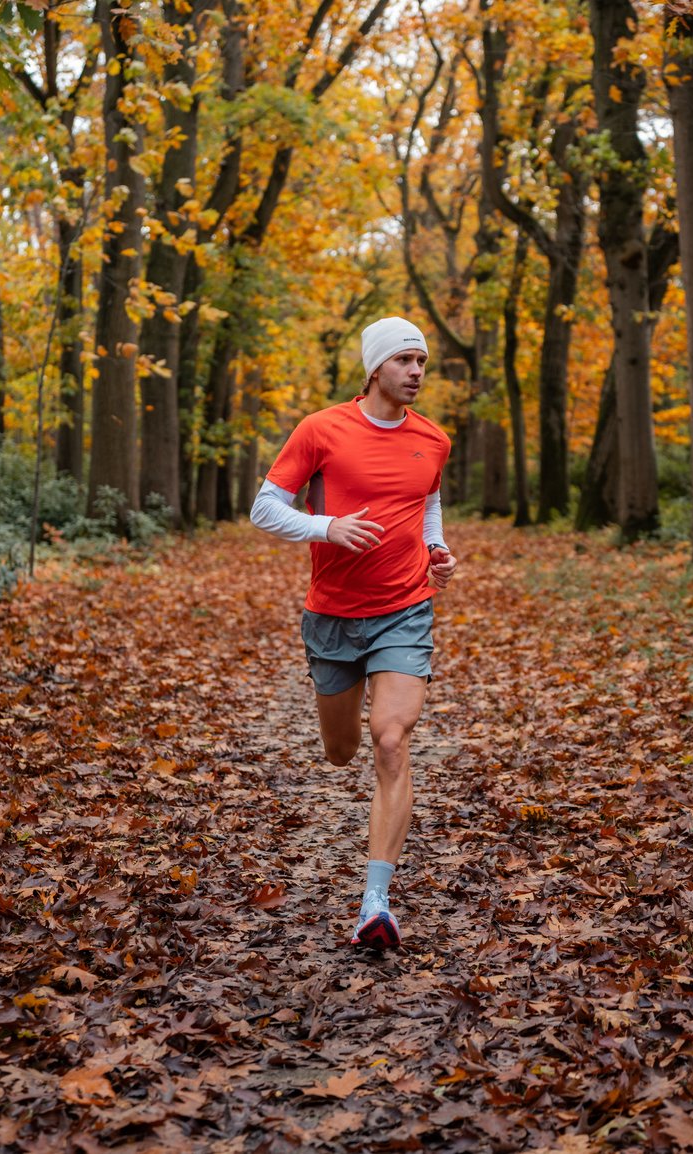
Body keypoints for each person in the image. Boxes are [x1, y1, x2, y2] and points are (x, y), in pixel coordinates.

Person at [250, 316, 457, 950]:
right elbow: (265, 508)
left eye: (422, 361)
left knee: (391, 738)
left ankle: (376, 901)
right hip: (334, 613)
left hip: (404, 607)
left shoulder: (434, 438)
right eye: (405, 361)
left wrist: (437, 547)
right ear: (375, 369)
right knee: (341, 750)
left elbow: (426, 501)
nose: (416, 372)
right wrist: (326, 527)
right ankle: (339, 732)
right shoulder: (322, 429)